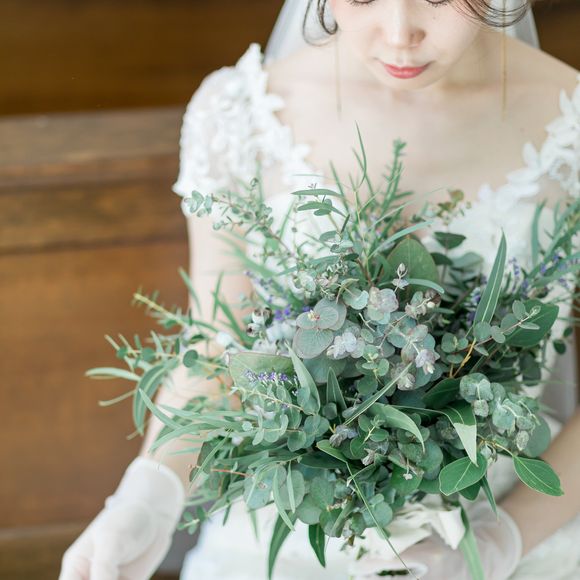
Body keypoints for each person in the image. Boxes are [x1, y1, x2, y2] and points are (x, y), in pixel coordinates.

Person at [59, 0, 580, 578]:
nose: (399, 33)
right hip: (284, 530)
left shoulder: (572, 120)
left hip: (520, 525)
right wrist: (146, 500)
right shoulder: (242, 112)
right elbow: (218, 348)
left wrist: (498, 539)